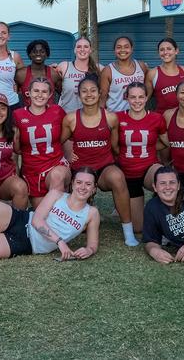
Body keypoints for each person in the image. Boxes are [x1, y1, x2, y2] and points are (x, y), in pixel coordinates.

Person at [62, 75, 137, 246]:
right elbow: (59, 141)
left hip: (103, 167)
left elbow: (115, 147)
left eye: (93, 90)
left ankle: (128, 232)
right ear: (78, 95)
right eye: (84, 91)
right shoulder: (70, 119)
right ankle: (71, 218)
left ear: (100, 93)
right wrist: (66, 154)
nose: (89, 94)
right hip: (80, 170)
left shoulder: (111, 118)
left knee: (117, 177)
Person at [116, 82, 168, 233]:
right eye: (133, 97)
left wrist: (149, 147)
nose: (137, 101)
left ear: (146, 98)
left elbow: (166, 142)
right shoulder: (118, 118)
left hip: (149, 169)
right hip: (128, 174)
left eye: (141, 97)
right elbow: (112, 145)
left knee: (163, 177)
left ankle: (167, 221)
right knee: (138, 228)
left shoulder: (156, 118)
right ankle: (149, 212)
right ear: (126, 98)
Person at [14, 78, 71, 207]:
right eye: (36, 91)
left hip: (55, 164)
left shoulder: (57, 111)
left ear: (51, 94)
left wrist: (72, 159)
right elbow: (16, 149)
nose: (40, 95)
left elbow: (67, 136)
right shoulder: (18, 115)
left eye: (44, 92)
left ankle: (61, 221)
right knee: (41, 212)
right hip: (32, 171)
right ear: (28, 93)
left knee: (57, 177)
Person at [100, 36, 147, 112]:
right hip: (116, 115)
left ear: (132, 49)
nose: (122, 50)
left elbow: (148, 88)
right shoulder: (108, 71)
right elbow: (103, 97)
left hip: (136, 115)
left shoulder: (141, 66)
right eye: (119, 47)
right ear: (114, 50)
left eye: (126, 47)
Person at [55, 37, 102, 113]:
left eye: (86, 47)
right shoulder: (64, 66)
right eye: (79, 46)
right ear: (74, 50)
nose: (82, 49)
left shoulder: (99, 68)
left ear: (90, 50)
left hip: (89, 117)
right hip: (66, 116)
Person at [145, 38, 184, 114]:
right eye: (162, 50)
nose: (165, 52)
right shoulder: (152, 73)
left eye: (169, 49)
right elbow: (145, 99)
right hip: (162, 119)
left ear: (176, 51)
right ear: (158, 53)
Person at [16, 39, 62, 107]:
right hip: (28, 116)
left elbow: (64, 94)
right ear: (29, 54)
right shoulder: (21, 74)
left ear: (47, 54)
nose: (38, 54)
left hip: (49, 116)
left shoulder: (54, 74)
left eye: (42, 51)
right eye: (34, 51)